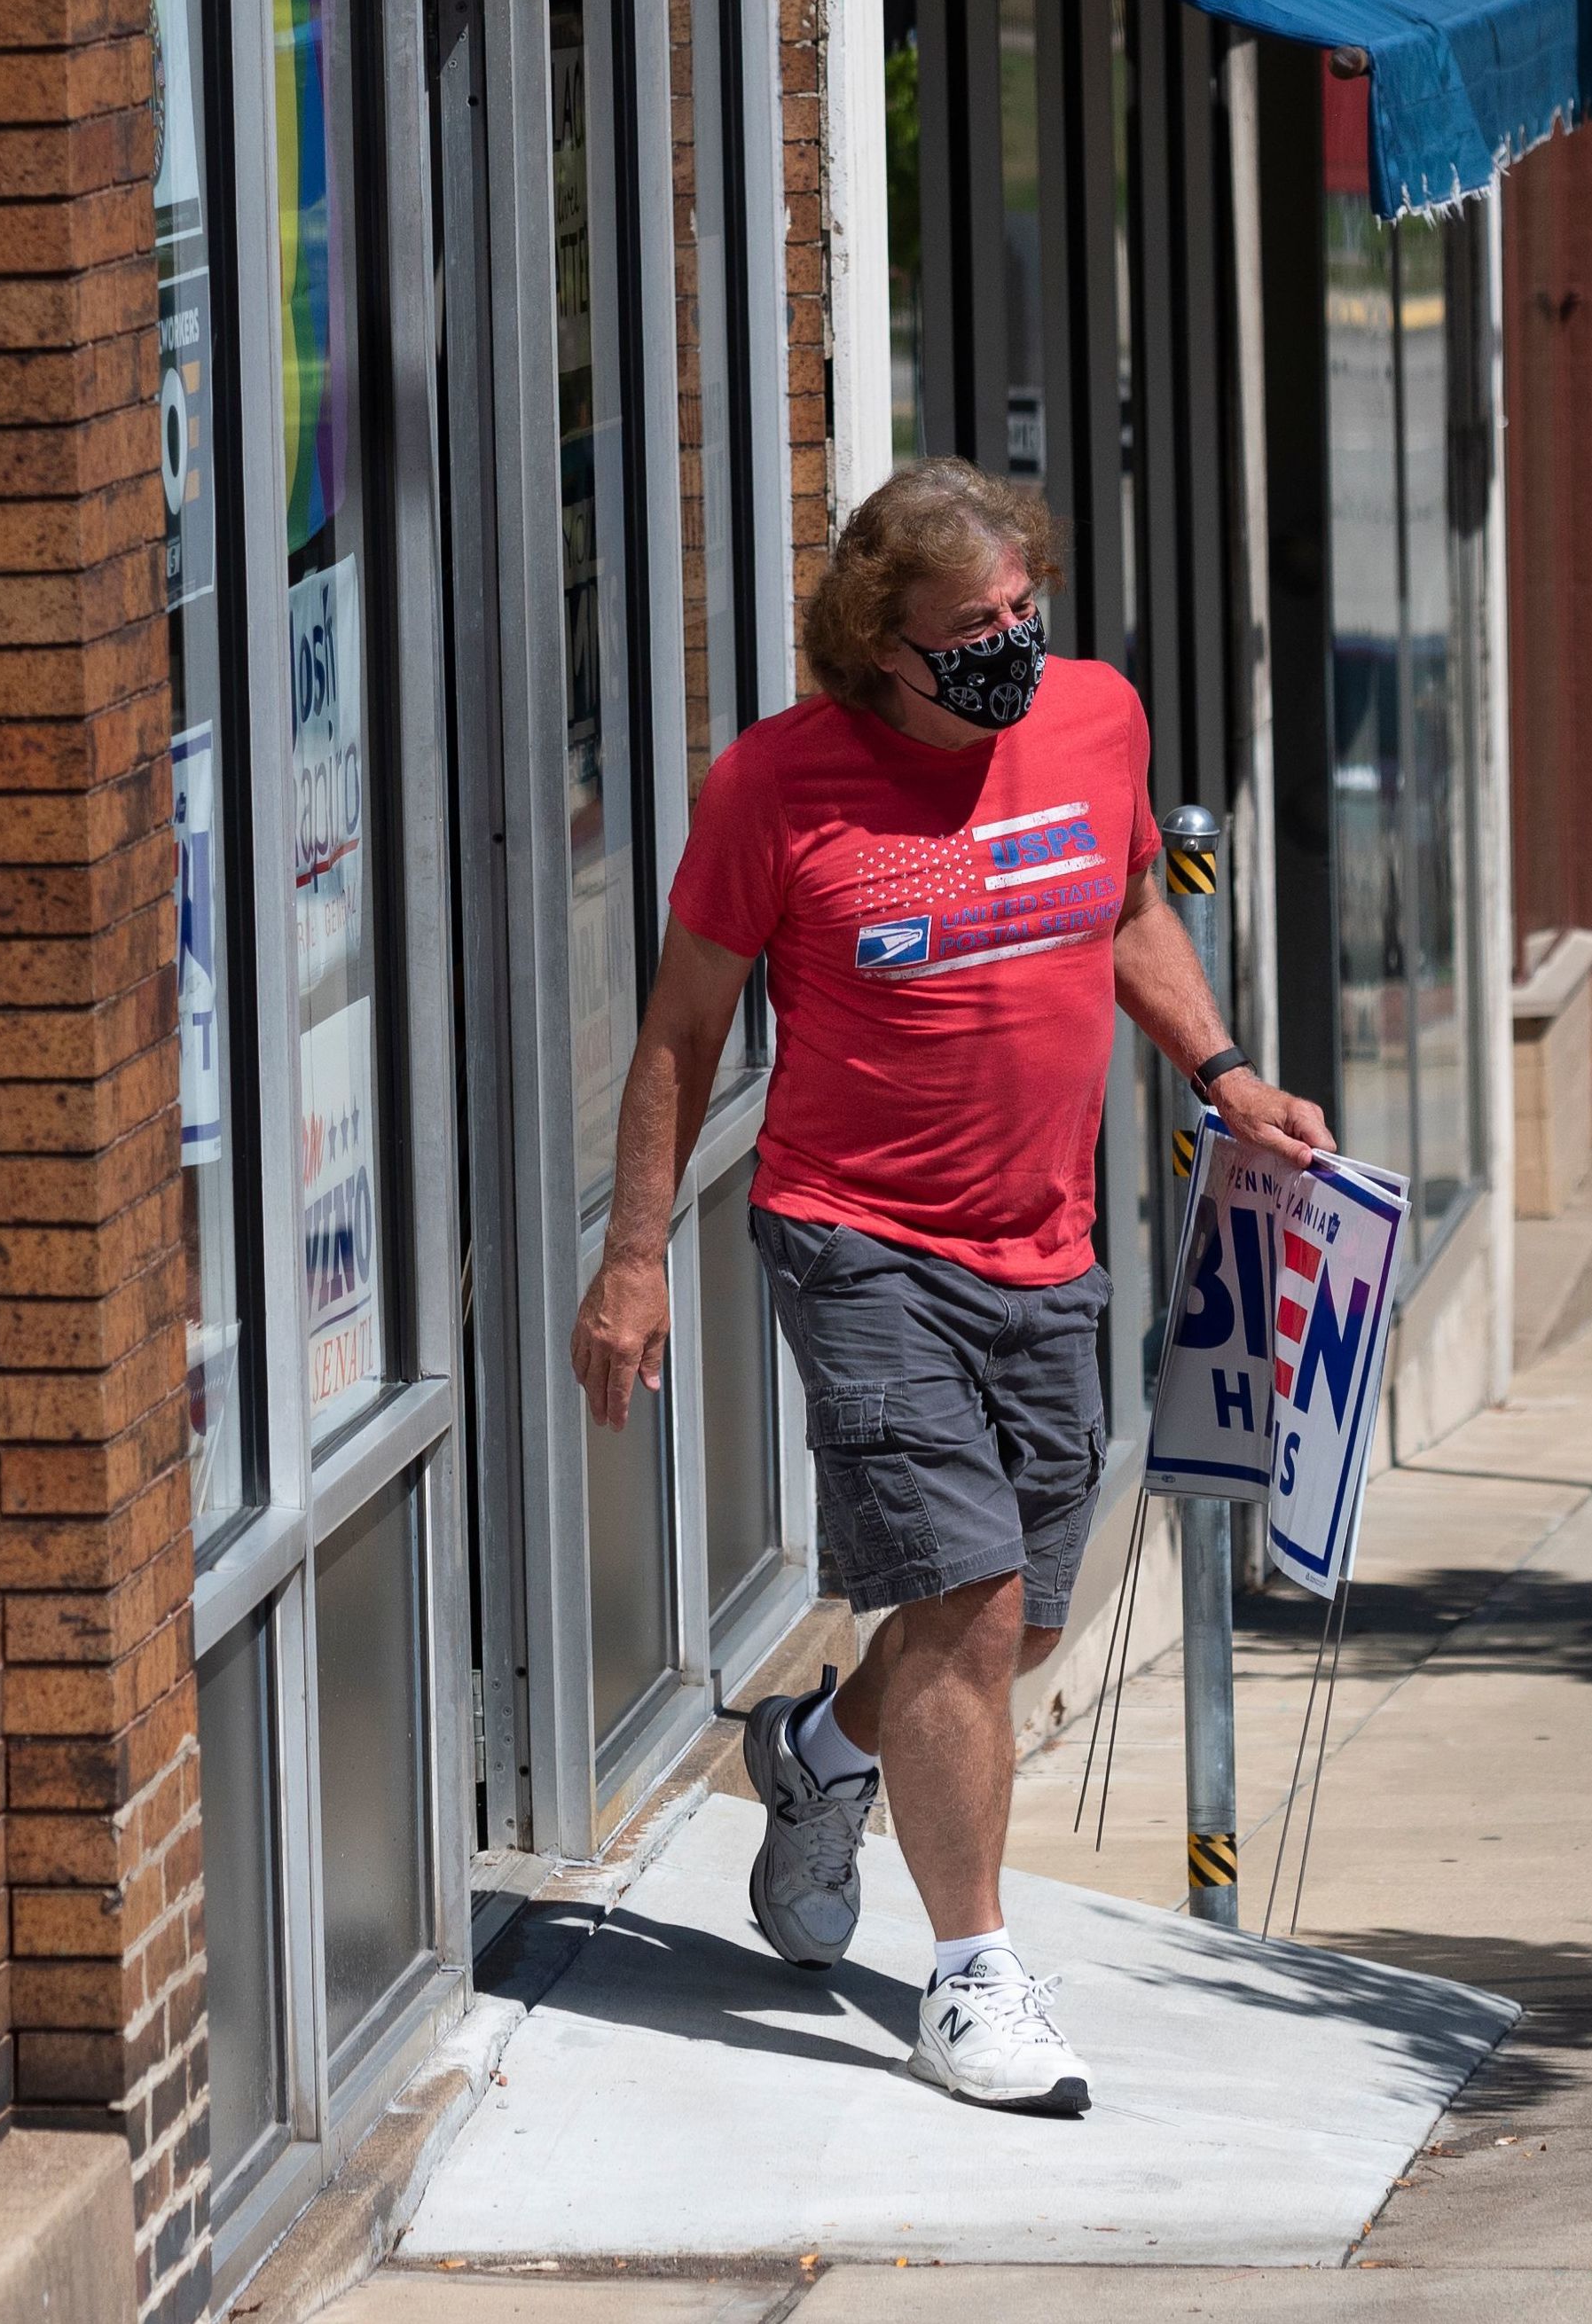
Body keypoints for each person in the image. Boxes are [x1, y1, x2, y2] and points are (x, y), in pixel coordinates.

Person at [569, 459, 1329, 2116]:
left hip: (1047, 1242)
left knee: (1018, 1621)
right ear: (877, 641)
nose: (1011, 648)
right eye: (971, 629)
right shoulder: (777, 787)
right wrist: (633, 1256)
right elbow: (682, 1030)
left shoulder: (1096, 718)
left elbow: (1123, 908)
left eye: (1022, 611)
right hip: (858, 1239)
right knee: (972, 1600)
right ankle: (974, 1974)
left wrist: (1224, 1068)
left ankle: (819, 1756)